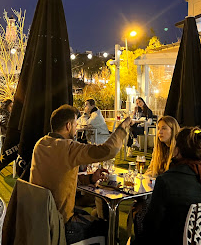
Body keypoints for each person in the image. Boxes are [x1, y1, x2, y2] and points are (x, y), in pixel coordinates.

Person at [29, 104, 131, 244]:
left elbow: (57, 176)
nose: (77, 128)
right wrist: (123, 127)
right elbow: (107, 151)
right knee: (107, 228)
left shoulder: (40, 145)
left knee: (89, 214)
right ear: (68, 126)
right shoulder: (68, 147)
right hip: (61, 224)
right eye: (76, 124)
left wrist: (89, 178)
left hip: (40, 217)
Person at [134, 127, 201, 244]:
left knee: (139, 215)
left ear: (177, 150)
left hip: (174, 239)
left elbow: (151, 225)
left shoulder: (166, 181)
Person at [132, 116, 180, 236]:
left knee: (142, 209)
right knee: (138, 206)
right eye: (158, 128)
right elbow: (152, 170)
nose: (160, 132)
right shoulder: (159, 149)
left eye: (164, 128)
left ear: (173, 130)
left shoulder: (179, 151)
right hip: (158, 190)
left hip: (172, 196)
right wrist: (142, 177)